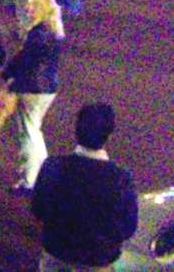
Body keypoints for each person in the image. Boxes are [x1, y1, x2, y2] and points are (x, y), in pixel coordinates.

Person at [31, 103, 138, 271]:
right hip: (98, 259)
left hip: (57, 252)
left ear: (76, 130)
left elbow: (38, 209)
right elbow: (128, 227)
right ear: (109, 135)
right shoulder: (121, 179)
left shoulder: (53, 166)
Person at [3, 0, 64, 192]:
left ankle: (29, 181)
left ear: (41, 7)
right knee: (34, 132)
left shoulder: (37, 34)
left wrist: (9, 78)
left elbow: (25, 62)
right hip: (47, 88)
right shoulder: (54, 30)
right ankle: (41, 176)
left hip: (32, 88)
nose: (28, 8)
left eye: (32, 5)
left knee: (28, 135)